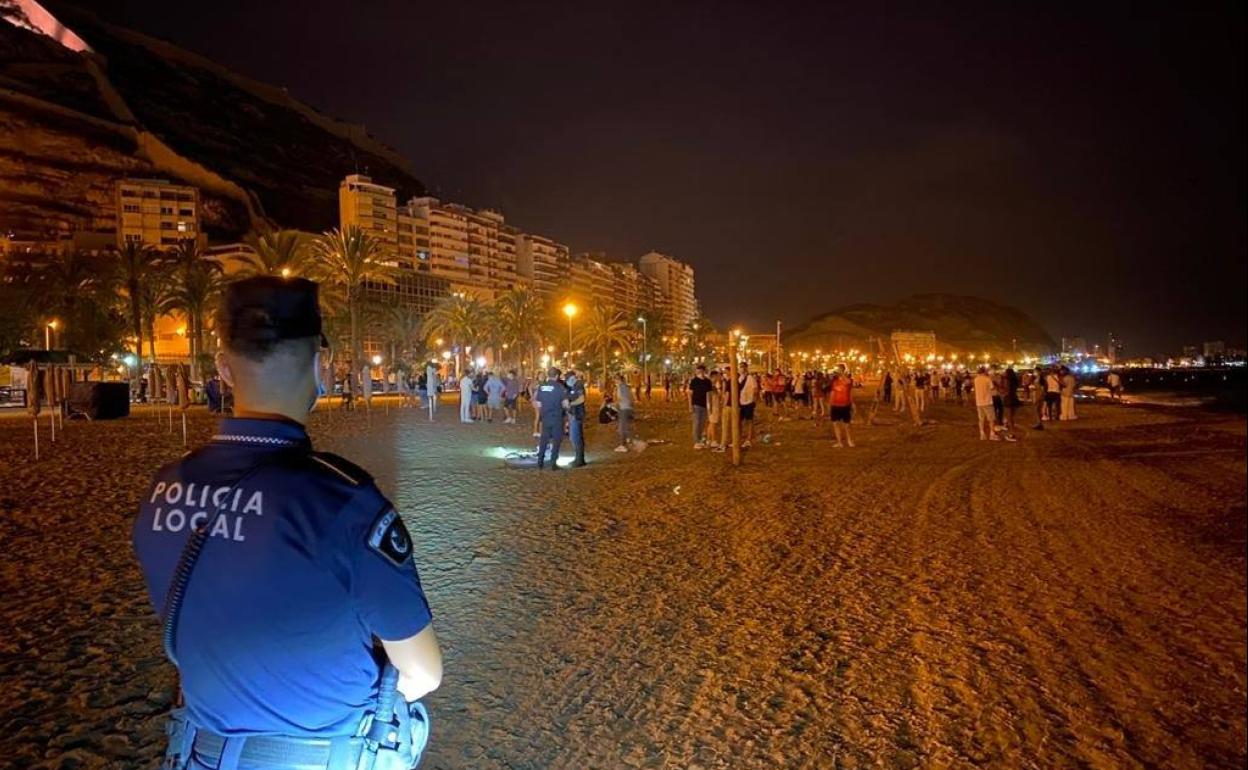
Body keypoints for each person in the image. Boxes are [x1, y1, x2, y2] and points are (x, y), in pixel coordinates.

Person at [133, 277, 441, 770]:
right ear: (321, 366)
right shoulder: (345, 501)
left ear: (223, 369)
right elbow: (423, 672)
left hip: (199, 755)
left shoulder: (164, 488)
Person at [533, 367, 569, 469]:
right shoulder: (560, 387)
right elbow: (565, 403)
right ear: (557, 376)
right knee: (556, 440)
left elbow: (538, 404)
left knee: (544, 439)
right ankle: (553, 463)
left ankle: (540, 462)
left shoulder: (541, 387)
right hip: (557, 417)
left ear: (548, 375)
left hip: (545, 417)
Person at [827, 365, 855, 447]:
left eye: (838, 369)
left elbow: (848, 384)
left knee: (847, 425)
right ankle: (839, 442)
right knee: (835, 424)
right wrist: (830, 404)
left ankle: (849, 440)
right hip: (835, 405)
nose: (836, 371)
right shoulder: (834, 381)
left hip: (845, 405)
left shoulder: (848, 380)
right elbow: (832, 392)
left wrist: (842, 373)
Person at [565, 369, 588, 467]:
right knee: (574, 437)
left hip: (577, 414)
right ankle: (578, 458)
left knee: (576, 437)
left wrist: (570, 404)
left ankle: (579, 460)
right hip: (573, 414)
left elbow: (581, 399)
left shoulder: (578, 385)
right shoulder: (573, 386)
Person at [688, 364, 712, 449]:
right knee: (696, 423)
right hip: (696, 405)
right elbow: (690, 394)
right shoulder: (694, 381)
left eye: (700, 370)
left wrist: (709, 406)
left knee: (702, 423)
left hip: (704, 405)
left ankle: (701, 439)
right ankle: (696, 441)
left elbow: (709, 394)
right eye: (698, 370)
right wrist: (690, 405)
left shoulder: (707, 381)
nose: (699, 372)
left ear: (703, 371)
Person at [737, 361, 758, 448]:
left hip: (749, 402)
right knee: (740, 421)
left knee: (749, 421)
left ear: (746, 368)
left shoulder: (750, 378)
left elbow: (755, 389)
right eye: (740, 367)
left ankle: (748, 439)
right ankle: (740, 437)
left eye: (742, 367)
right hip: (741, 402)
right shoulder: (739, 378)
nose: (741, 369)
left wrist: (754, 400)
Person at [974, 365, 997, 440]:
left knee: (981, 419)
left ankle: (982, 434)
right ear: (984, 372)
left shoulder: (976, 379)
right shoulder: (987, 379)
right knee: (991, 419)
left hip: (979, 402)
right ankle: (992, 434)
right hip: (987, 401)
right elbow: (992, 388)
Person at [615, 373, 635, 452]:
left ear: (618, 380)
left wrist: (614, 404)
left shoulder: (619, 387)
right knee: (627, 426)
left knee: (622, 428)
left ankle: (622, 446)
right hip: (629, 408)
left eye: (616, 379)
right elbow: (631, 397)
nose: (615, 381)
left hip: (623, 408)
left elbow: (620, 398)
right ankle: (629, 441)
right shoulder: (627, 387)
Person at [706, 369, 724, 450]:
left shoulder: (713, 385)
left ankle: (709, 439)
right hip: (713, 406)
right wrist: (710, 408)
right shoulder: (710, 385)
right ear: (714, 376)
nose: (719, 377)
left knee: (711, 423)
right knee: (713, 423)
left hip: (714, 406)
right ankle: (713, 440)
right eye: (718, 376)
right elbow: (709, 397)